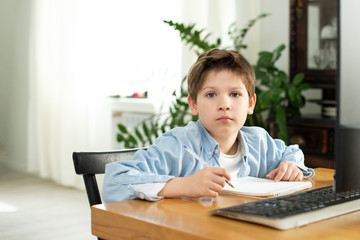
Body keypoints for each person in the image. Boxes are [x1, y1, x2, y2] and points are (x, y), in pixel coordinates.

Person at [103, 49, 314, 203]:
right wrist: (184, 185)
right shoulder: (178, 145)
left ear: (250, 103)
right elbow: (116, 179)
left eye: (235, 94)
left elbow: (292, 153)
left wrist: (291, 166)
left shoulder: (259, 141)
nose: (224, 105)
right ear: (193, 104)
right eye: (211, 94)